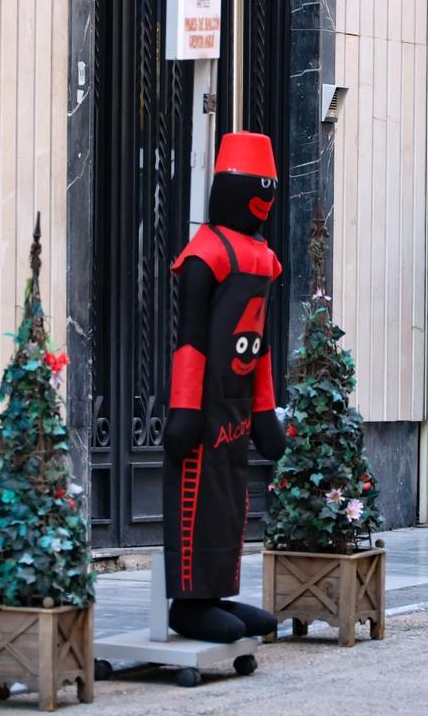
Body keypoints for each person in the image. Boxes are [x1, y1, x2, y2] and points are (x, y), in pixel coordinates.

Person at [162, 132, 288, 642]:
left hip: (236, 409)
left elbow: (259, 342)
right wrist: (184, 408)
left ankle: (217, 593)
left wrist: (264, 412)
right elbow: (191, 340)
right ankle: (188, 602)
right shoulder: (205, 254)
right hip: (205, 406)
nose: (264, 198)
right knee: (197, 496)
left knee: (230, 501)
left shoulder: (262, 257)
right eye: (258, 186)